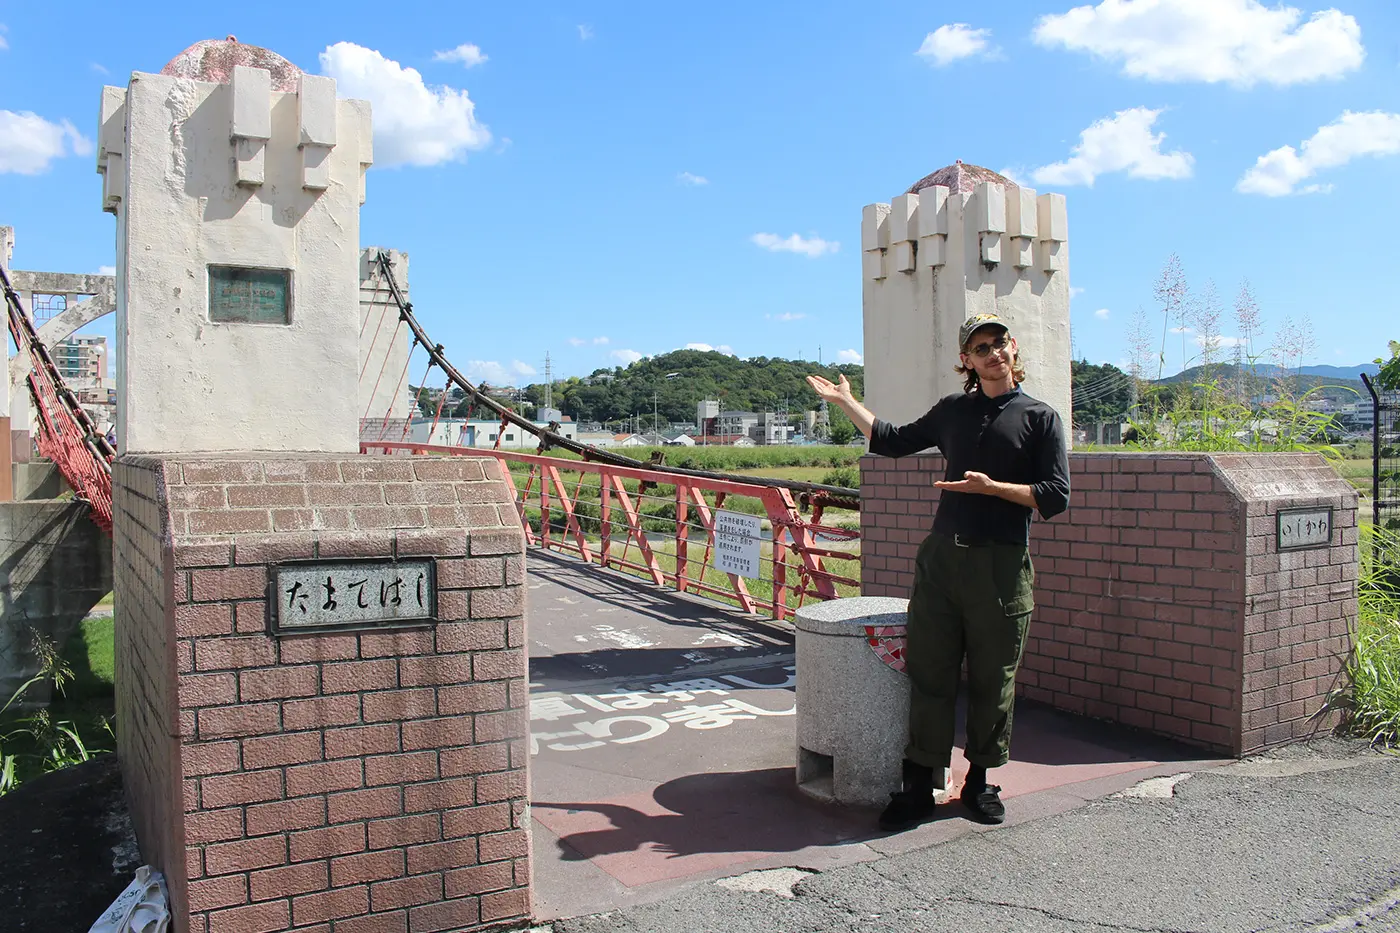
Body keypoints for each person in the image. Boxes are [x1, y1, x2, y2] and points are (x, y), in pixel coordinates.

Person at [806, 312, 1069, 830]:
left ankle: (981, 781)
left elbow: (1055, 497)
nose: (992, 353)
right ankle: (918, 782)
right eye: (980, 348)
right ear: (966, 361)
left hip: (1001, 563)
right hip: (942, 559)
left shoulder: (1040, 418)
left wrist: (991, 489)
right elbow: (891, 439)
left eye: (998, 343)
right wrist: (846, 403)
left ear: (1013, 349)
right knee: (930, 673)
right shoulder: (953, 411)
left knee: (995, 678)